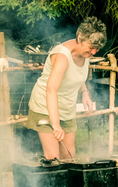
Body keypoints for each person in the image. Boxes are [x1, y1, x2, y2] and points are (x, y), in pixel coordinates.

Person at [27, 17, 107, 160]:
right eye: (91, 47)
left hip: (67, 108)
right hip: (45, 107)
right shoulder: (62, 56)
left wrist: (85, 93)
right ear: (80, 37)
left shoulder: (85, 53)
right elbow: (51, 89)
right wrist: (56, 124)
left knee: (69, 157)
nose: (94, 52)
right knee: (53, 159)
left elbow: (76, 74)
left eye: (97, 48)